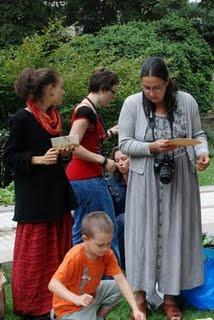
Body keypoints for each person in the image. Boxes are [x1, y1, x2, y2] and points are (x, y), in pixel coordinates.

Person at [118, 57, 210, 320]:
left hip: (179, 177)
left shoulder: (186, 102)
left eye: (156, 87)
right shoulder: (132, 104)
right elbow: (124, 143)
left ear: (167, 83)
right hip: (144, 179)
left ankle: (171, 298)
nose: (151, 93)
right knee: (142, 235)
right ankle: (140, 295)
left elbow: (198, 134)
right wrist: (151, 147)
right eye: (146, 88)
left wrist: (202, 153)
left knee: (174, 234)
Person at [4, 68, 77, 319]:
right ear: (49, 89)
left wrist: (65, 153)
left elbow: (55, 154)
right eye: (60, 87)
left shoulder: (53, 117)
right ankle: (33, 305)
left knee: (58, 250)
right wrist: (37, 159)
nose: (63, 91)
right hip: (35, 199)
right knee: (35, 255)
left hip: (56, 194)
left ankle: (58, 299)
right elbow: (10, 156)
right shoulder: (22, 119)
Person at [48, 212, 146, 320]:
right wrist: (76, 299)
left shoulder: (107, 253)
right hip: (69, 307)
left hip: (92, 295)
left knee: (121, 287)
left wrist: (135, 309)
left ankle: (100, 316)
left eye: (109, 244)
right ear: (86, 239)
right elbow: (53, 284)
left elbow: (121, 280)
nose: (106, 248)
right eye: (100, 245)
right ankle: (59, 316)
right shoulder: (74, 257)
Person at [66, 67, 120, 261]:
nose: (113, 97)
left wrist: (112, 132)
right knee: (106, 229)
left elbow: (90, 140)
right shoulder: (85, 111)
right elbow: (72, 144)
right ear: (104, 88)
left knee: (83, 231)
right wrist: (103, 160)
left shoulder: (89, 110)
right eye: (113, 92)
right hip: (87, 180)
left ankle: (80, 278)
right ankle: (110, 283)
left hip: (80, 179)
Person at [107, 146, 129, 270]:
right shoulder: (111, 183)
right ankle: (122, 262)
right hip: (120, 223)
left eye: (124, 159)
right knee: (125, 219)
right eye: (117, 160)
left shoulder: (142, 180)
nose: (120, 163)